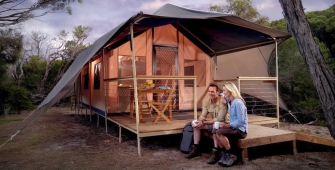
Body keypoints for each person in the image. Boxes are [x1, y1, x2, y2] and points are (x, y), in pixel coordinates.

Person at [185, 83, 229, 165]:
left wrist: (204, 122)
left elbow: (220, 119)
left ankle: (216, 153)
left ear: (217, 92)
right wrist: (200, 121)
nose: (210, 93)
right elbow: (203, 115)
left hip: (224, 124)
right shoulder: (206, 101)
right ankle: (196, 149)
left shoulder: (222, 101)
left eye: (212, 92)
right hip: (213, 123)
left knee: (215, 124)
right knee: (194, 123)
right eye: (209, 91)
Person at [213, 82, 248, 167]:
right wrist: (221, 95)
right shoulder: (230, 100)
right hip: (233, 126)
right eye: (223, 90)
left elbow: (241, 121)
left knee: (219, 132)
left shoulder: (238, 103)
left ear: (231, 91)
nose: (223, 92)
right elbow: (222, 94)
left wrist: (227, 125)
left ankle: (230, 154)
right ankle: (224, 153)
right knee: (214, 131)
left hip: (241, 130)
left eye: (225, 90)